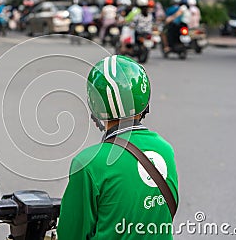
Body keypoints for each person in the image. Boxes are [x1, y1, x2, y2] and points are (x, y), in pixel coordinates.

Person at [57, 55, 179, 240]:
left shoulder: (88, 164)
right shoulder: (165, 150)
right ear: (144, 99)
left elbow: (71, 234)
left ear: (94, 105)